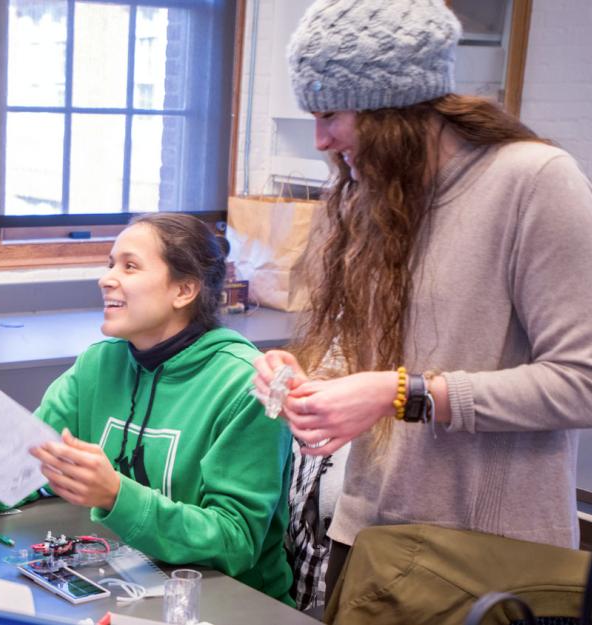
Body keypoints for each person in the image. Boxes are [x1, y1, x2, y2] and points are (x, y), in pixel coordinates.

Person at [253, 0, 592, 606]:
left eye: (331, 113)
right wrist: (312, 385)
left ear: (397, 109)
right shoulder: (369, 195)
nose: (321, 138)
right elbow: (371, 358)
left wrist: (406, 393)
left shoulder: (535, 181)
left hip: (490, 561)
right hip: (370, 540)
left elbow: (582, 382)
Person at [0, 213, 295, 603]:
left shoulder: (248, 385)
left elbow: (236, 541)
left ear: (184, 289)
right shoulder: (98, 365)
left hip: (232, 602)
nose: (106, 278)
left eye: (130, 266)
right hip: (128, 583)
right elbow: (30, 465)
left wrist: (116, 495)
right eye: (110, 263)